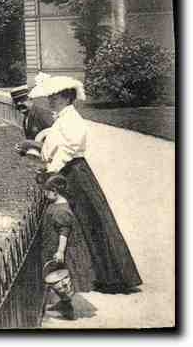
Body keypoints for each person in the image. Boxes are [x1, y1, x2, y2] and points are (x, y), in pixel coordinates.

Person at [15, 76, 142, 293]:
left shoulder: (72, 119)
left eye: (54, 97)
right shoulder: (61, 119)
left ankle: (113, 277)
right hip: (67, 171)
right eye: (50, 97)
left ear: (66, 97)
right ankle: (93, 274)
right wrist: (35, 151)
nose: (50, 101)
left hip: (75, 173)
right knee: (81, 222)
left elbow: (68, 149)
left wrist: (52, 170)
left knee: (91, 220)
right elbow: (52, 148)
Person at [40, 175, 94, 320]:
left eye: (46, 192)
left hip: (60, 248)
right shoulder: (59, 204)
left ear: (55, 191)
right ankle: (64, 303)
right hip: (54, 245)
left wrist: (60, 251)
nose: (45, 195)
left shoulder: (61, 211)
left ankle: (68, 309)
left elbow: (64, 232)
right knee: (60, 277)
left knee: (61, 278)